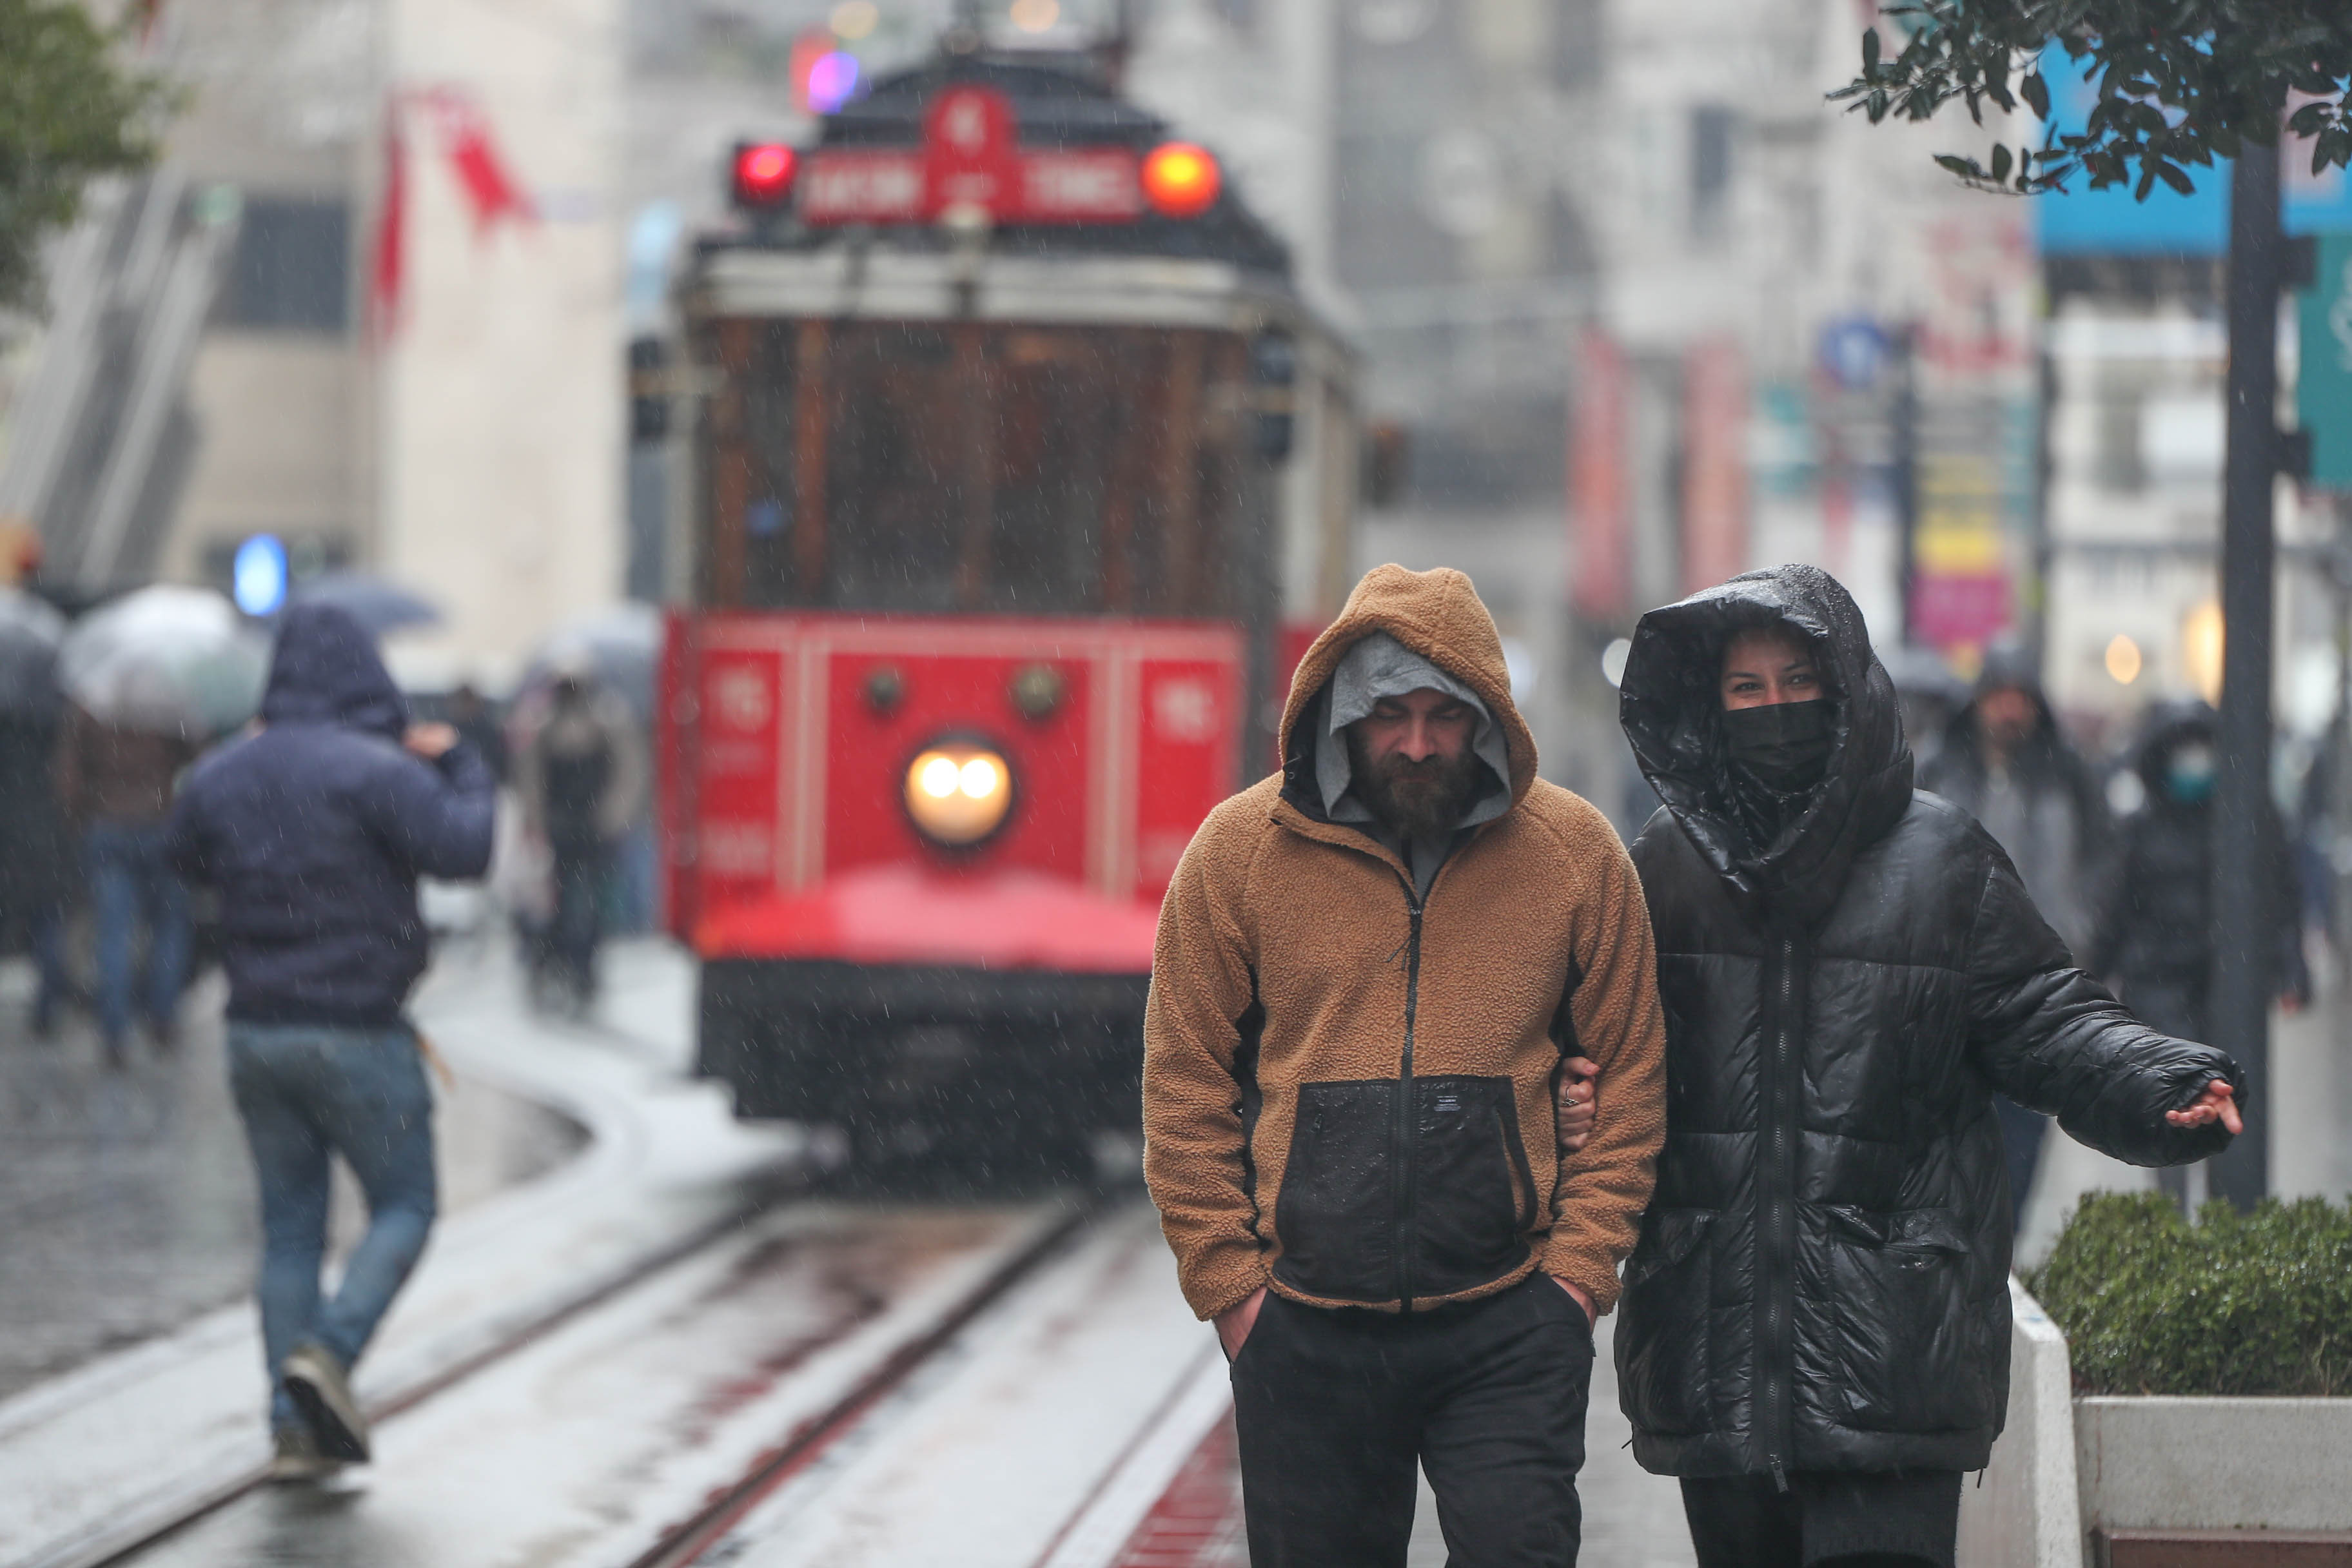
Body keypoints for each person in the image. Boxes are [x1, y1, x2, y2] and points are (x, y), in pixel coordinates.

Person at [1605, 565, 2242, 1568]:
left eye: (1796, 681)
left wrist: (2157, 1079)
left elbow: (2046, 1014)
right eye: (1745, 690)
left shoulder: (1941, 859)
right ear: (1708, 707)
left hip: (1893, 1346)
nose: (1775, 709)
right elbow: (1604, 1047)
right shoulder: (1665, 868)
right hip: (1714, 1355)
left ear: (1849, 690)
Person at [1142, 564, 1664, 1567]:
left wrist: (1575, 1282)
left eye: (1444, 715)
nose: (1419, 743)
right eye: (1391, 716)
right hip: (1304, 1332)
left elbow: (1633, 1073)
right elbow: (1182, 1077)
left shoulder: (1575, 854)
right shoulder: (1239, 852)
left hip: (1511, 1324)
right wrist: (1235, 1291)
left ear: (1486, 717)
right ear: (1342, 713)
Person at [167, 604, 495, 1480]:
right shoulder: (379, 773)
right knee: (407, 1204)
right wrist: (460, 762)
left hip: (256, 1034)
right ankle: (330, 1355)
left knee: (289, 1233)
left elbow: (185, 855)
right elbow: (467, 850)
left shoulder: (225, 773)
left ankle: (292, 1425)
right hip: (358, 1031)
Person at [1919, 651, 2113, 1225]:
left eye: (2019, 697)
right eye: (1998, 696)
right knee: (1953, 1124)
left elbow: (2103, 857)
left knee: (2026, 1130)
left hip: (2040, 982)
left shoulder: (2067, 774)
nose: (2008, 710)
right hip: (1954, 979)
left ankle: (2005, 1240)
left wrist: (2082, 927)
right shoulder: (1941, 770)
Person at [2089, 701, 2306, 1211]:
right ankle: (2174, 1217)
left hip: (2228, 986)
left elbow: (2281, 897)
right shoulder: (2143, 825)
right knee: (2172, 1105)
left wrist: (2291, 968)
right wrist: (2091, 981)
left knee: (2226, 1104)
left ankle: (2223, 1219)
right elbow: (2115, 907)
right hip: (2158, 986)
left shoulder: (2250, 819)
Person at [54, 699, 196, 1061]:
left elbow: (69, 773)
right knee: (169, 926)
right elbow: (196, 756)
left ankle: (114, 1029)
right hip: (161, 823)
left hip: (108, 825)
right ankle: (162, 1016)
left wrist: (82, 816)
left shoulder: (92, 705)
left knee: (113, 932)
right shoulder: (169, 703)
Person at [514, 662, 645, 1006]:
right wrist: (538, 822)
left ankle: (584, 965)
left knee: (593, 900)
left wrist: (610, 819)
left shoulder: (608, 721)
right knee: (558, 898)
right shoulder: (544, 725)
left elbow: (628, 773)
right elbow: (531, 778)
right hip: (563, 827)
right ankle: (559, 961)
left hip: (594, 827)